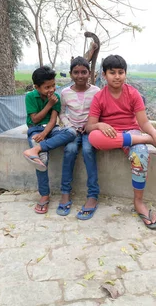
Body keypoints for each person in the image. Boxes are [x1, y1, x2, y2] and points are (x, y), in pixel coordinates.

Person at [85, 55, 156, 230]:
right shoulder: (99, 97)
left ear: (125, 74)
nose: (117, 76)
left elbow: (143, 123)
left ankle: (138, 202)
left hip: (132, 132)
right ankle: (147, 140)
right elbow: (89, 126)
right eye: (112, 73)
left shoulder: (133, 94)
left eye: (121, 72)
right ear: (104, 75)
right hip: (110, 134)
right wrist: (100, 124)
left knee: (140, 153)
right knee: (94, 137)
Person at [23, 66, 76, 214]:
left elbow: (53, 120)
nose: (51, 89)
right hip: (35, 129)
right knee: (42, 160)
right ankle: (44, 195)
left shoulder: (56, 97)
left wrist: (45, 135)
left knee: (72, 132)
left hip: (51, 130)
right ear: (37, 87)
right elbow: (35, 119)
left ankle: (36, 149)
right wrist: (49, 104)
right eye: (47, 87)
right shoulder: (30, 97)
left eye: (53, 85)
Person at [58, 57, 101, 219]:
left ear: (89, 73)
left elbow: (100, 112)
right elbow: (62, 113)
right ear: (71, 74)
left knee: (89, 150)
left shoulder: (96, 92)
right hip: (72, 130)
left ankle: (92, 195)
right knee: (70, 149)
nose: (80, 75)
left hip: (90, 131)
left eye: (84, 72)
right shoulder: (65, 93)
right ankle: (65, 193)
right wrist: (70, 126)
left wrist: (91, 124)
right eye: (76, 72)